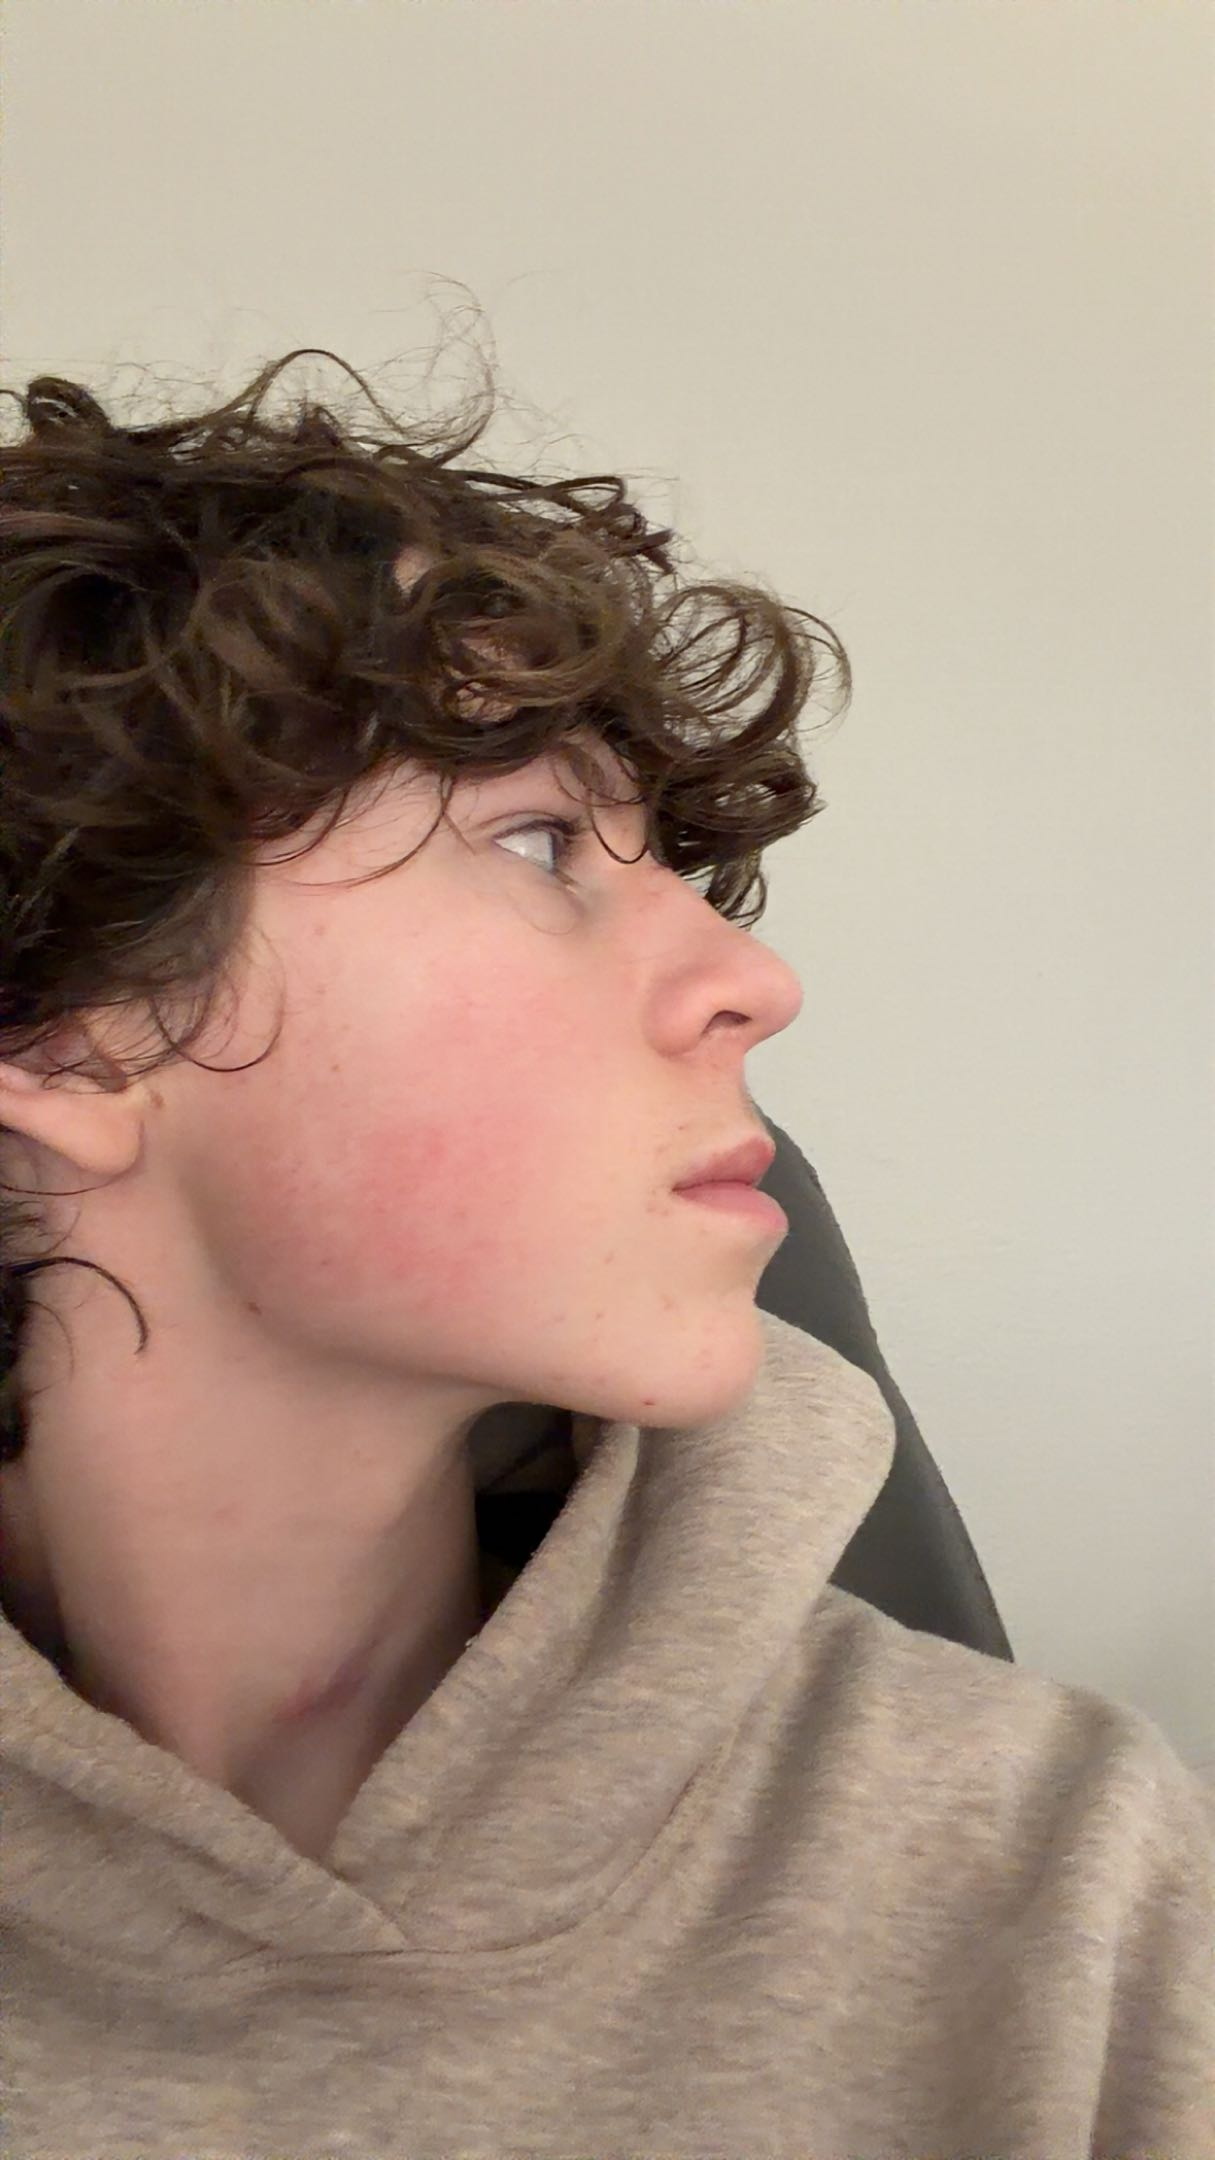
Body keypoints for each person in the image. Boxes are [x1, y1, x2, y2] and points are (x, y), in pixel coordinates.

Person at [2, 348, 1210, 2158]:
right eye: (540, 837)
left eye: (668, 863)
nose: (752, 980)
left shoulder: (1062, 1887)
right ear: (68, 1039)